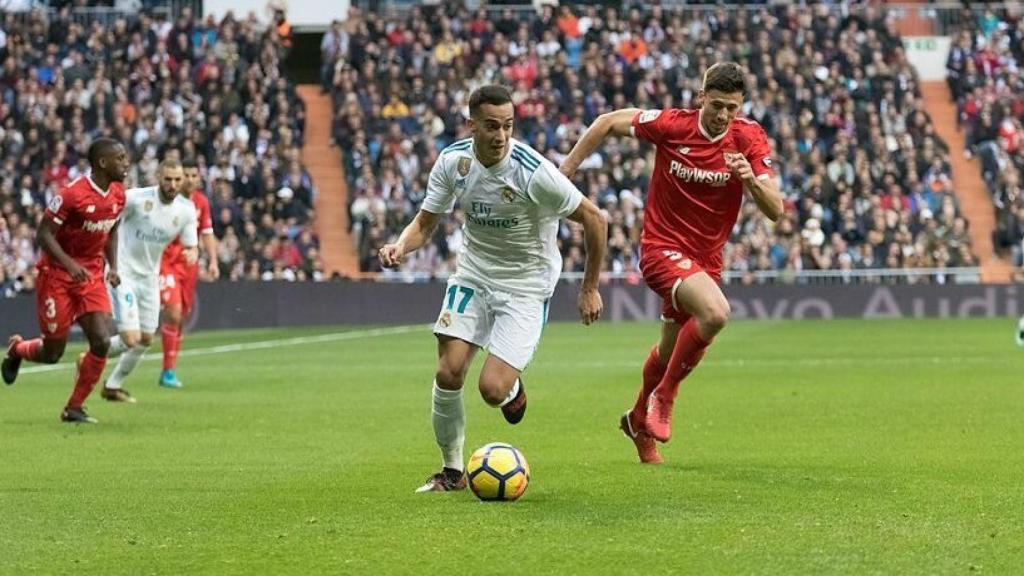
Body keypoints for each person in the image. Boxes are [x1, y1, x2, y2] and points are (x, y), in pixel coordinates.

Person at [378, 85, 607, 493]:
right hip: (474, 276)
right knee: (448, 372)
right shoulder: (453, 162)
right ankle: (451, 473)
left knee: (491, 389)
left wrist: (589, 288)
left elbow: (595, 219)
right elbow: (426, 223)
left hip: (524, 286)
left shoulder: (532, 171)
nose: (501, 136)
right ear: (471, 125)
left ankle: (512, 390)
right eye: (491, 126)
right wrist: (400, 245)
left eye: (508, 126)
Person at [560, 62, 784, 464]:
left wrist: (750, 179)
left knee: (669, 351)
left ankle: (637, 419)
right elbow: (608, 122)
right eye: (716, 105)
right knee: (715, 313)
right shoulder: (672, 125)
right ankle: (665, 395)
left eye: (731, 108)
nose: (722, 115)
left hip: (704, 261)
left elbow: (776, 210)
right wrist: (563, 174)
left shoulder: (748, 138)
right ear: (701, 98)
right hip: (661, 249)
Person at [1, 138, 130, 424]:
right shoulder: (72, 195)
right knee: (52, 352)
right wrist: (69, 265)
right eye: (120, 158)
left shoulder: (119, 194)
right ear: (103, 163)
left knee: (101, 341)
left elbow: (111, 229)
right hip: (57, 276)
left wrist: (113, 265)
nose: (126, 163)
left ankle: (74, 407)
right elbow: (43, 234)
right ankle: (17, 349)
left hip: (91, 275)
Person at [100, 159, 198, 403]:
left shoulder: (185, 211)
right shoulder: (135, 198)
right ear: (157, 176)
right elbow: (107, 224)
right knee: (130, 338)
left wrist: (193, 252)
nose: (173, 184)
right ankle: (93, 354)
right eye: (168, 179)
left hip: (149, 278)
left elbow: (191, 245)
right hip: (122, 273)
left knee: (145, 340)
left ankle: (112, 386)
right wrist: (108, 263)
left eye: (177, 180)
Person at [157, 159, 218, 388]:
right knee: (173, 312)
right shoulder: (169, 200)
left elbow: (207, 232)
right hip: (166, 262)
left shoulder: (201, 202)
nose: (190, 180)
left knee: (181, 317)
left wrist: (212, 260)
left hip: (188, 266)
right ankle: (167, 370)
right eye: (187, 176)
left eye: (194, 175)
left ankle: (168, 370)